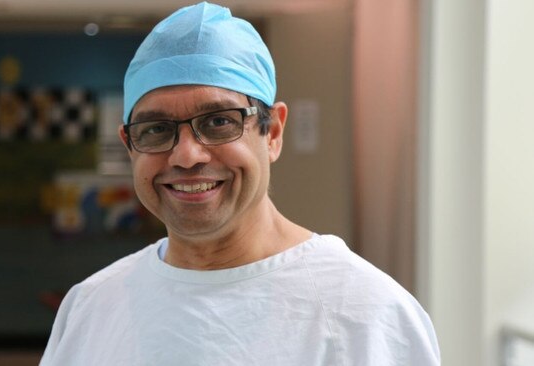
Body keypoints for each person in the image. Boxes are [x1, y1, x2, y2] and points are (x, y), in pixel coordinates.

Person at [40, 2, 440, 365]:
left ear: (273, 133)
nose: (187, 155)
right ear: (130, 145)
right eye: (156, 129)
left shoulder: (364, 315)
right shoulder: (91, 309)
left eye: (219, 122)